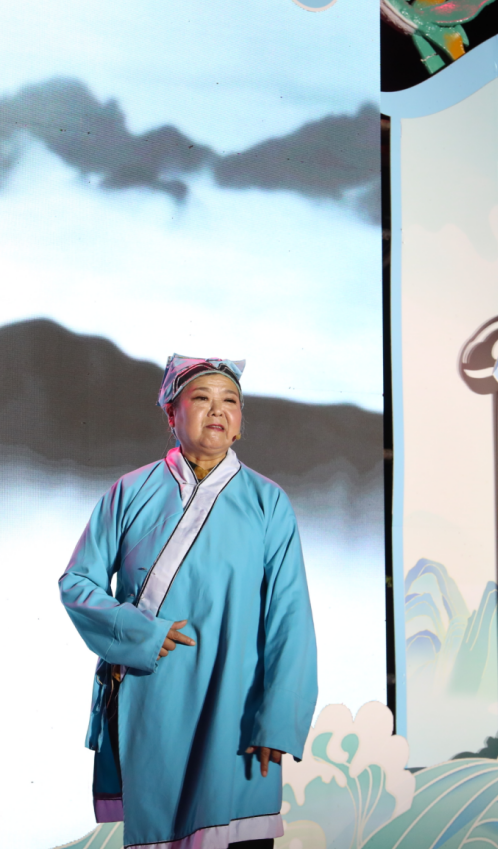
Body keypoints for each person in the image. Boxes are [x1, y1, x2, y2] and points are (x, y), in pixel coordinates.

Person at [59, 355, 318, 849]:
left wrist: (280, 719)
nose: (217, 410)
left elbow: (290, 617)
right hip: (151, 699)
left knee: (236, 828)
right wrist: (141, 634)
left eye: (230, 401)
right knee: (159, 828)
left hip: (235, 710)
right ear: (171, 414)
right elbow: (78, 582)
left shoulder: (268, 503)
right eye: (201, 398)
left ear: (239, 422)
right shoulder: (129, 492)